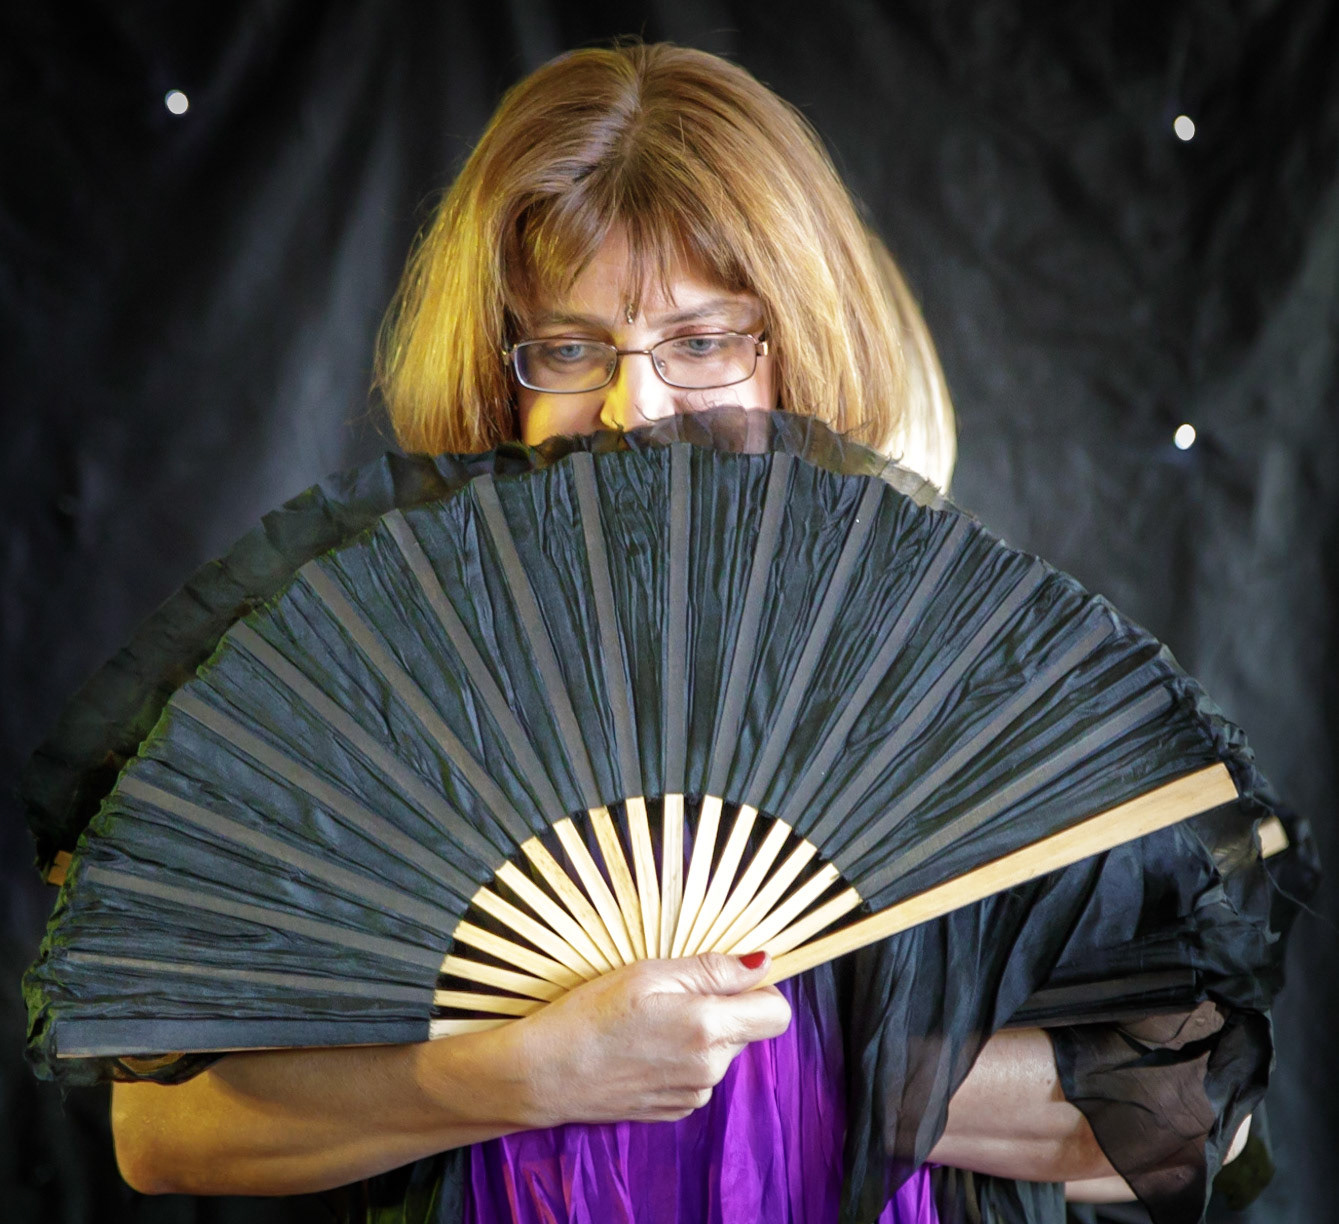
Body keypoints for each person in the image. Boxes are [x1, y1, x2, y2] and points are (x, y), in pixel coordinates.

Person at [109, 41, 1268, 1222]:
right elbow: (158, 1130)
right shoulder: (391, 689)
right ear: (502, 377)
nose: (634, 408)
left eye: (704, 341)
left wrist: (806, 1047)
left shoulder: (956, 684)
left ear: (796, 352)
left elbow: (1199, 1113)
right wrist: (516, 1074)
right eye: (569, 348)